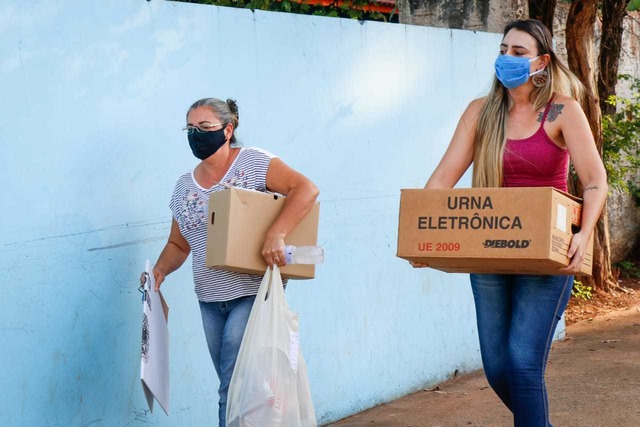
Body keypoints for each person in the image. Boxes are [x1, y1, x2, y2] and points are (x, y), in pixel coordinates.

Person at [414, 19, 607, 426]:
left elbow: (594, 181)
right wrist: (420, 237)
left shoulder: (561, 110)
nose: (507, 59)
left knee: (522, 365)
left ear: (542, 62)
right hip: (490, 252)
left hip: (547, 254)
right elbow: (441, 180)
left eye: (518, 53)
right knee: (498, 367)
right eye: (503, 50)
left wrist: (584, 234)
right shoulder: (480, 112)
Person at [146, 97, 319, 426]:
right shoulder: (185, 186)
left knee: (232, 387)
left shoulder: (253, 163)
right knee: (251, 390)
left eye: (205, 127)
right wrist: (159, 271)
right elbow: (178, 244)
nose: (196, 134)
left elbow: (306, 189)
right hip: (210, 300)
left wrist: (276, 234)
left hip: (252, 294)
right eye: (190, 128)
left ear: (228, 130)